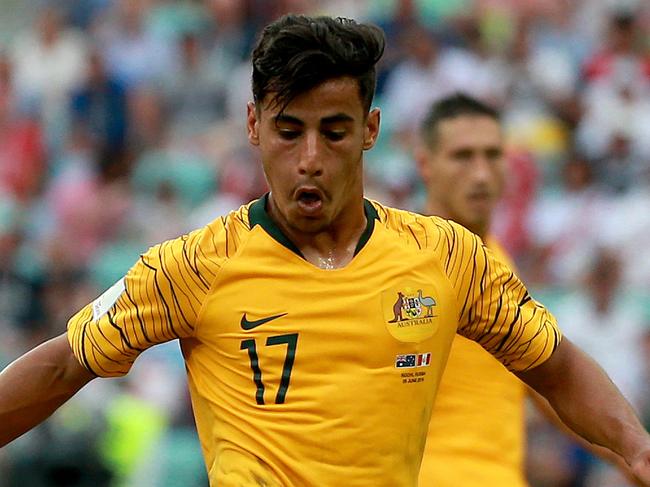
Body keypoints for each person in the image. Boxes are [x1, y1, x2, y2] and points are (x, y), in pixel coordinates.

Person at [1, 14, 650, 487]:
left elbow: (555, 366)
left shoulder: (447, 259)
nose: (310, 159)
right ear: (253, 125)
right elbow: (64, 364)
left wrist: (637, 448)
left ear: (370, 130)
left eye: (334, 131)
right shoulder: (192, 266)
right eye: (289, 131)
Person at [415, 93, 528, 486]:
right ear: (425, 164)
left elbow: (551, 381)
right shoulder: (401, 260)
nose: (480, 174)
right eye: (462, 156)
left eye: (492, 155)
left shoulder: (499, 261)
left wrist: (631, 452)